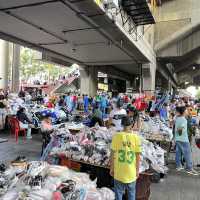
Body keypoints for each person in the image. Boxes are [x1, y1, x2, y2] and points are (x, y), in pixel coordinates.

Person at [110, 116, 141, 200]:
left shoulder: (116, 136)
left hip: (119, 171)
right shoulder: (136, 137)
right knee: (131, 194)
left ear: (121, 124)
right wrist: (137, 171)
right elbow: (138, 157)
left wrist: (112, 169)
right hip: (131, 172)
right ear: (131, 125)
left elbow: (112, 155)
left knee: (118, 194)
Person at [174, 106, 198, 175]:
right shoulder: (183, 119)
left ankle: (178, 166)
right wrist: (181, 132)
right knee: (188, 154)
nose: (187, 111)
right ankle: (189, 168)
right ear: (184, 112)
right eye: (186, 110)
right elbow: (180, 130)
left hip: (178, 138)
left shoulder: (178, 118)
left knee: (178, 152)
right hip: (183, 139)